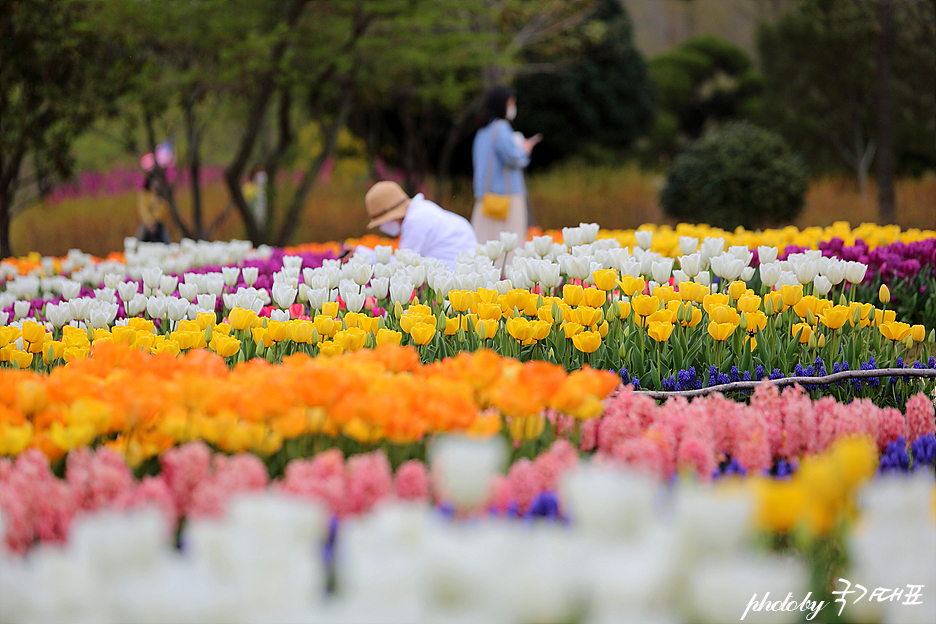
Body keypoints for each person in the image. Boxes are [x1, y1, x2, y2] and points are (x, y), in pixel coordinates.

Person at [471, 86, 541, 246]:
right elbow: (513, 158)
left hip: (485, 198)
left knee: (484, 243)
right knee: (509, 245)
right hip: (507, 198)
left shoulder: (482, 131)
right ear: (502, 104)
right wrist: (524, 150)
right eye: (511, 103)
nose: (512, 107)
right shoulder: (501, 127)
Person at [364, 180, 477, 269]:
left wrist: (362, 254)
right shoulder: (423, 210)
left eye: (381, 222)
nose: (381, 227)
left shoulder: (415, 221)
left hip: (451, 280)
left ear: (392, 216)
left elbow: (401, 266)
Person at [136, 175, 171, 244]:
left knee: (165, 243)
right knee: (141, 243)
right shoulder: (145, 194)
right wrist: (150, 222)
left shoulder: (161, 196)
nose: (156, 184)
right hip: (147, 224)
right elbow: (143, 210)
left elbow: (164, 210)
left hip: (159, 223)